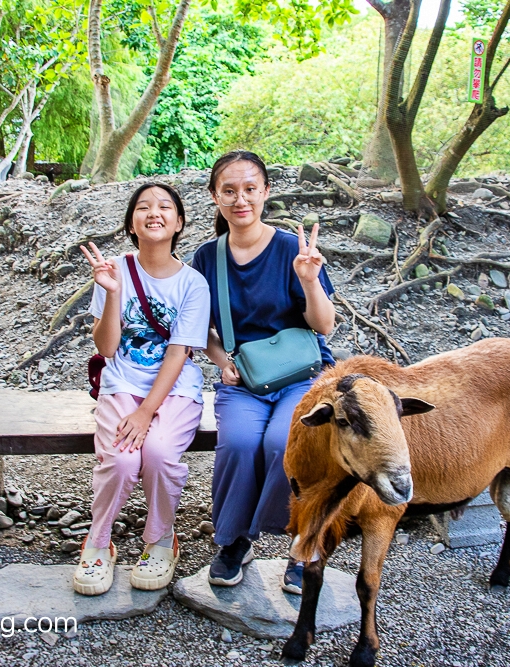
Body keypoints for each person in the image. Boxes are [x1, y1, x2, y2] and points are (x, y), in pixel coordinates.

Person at [191, 150, 336, 593]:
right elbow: (198, 331)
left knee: (281, 444)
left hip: (302, 377)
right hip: (245, 382)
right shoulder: (206, 257)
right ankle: (235, 540)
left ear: (266, 192)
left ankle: (302, 542)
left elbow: (324, 325)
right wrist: (223, 361)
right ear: (215, 196)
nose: (241, 199)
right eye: (230, 190)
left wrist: (310, 280)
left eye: (250, 189)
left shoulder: (294, 249)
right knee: (236, 444)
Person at [74, 183, 210, 596]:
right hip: (121, 384)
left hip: (175, 389)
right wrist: (113, 293)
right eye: (144, 207)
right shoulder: (113, 271)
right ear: (132, 222)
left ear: (179, 222)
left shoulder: (193, 284)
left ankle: (161, 541)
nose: (155, 212)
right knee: (119, 461)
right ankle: (98, 543)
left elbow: (177, 354)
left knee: (160, 452)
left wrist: (146, 411)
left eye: (165, 207)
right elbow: (108, 347)